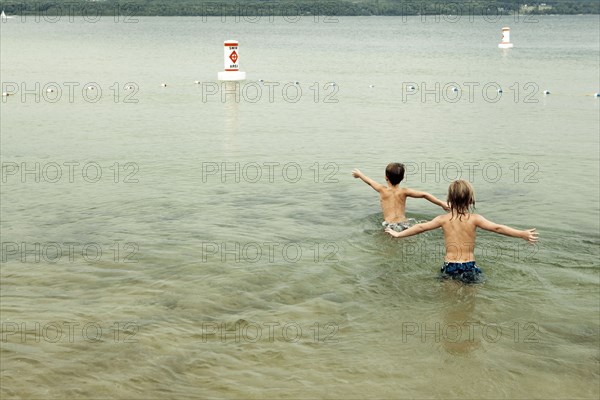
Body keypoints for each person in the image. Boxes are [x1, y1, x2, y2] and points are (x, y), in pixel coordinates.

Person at [385, 180, 538, 282]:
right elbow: (497, 228)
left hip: (450, 266)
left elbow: (420, 227)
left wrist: (398, 234)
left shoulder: (443, 219)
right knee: (470, 300)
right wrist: (521, 234)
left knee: (450, 300)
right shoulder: (475, 219)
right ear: (471, 200)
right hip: (469, 266)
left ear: (449, 200)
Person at [352, 163, 449, 231]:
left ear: (386, 177)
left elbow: (369, 182)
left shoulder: (382, 190)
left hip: (389, 225)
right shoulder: (404, 192)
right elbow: (425, 195)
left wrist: (359, 174)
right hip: (404, 224)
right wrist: (441, 203)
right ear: (402, 178)